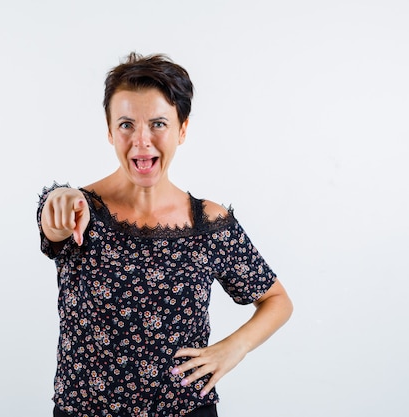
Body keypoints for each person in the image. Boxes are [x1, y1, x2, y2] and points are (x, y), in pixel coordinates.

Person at [36, 52, 293, 417]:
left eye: (158, 123)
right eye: (126, 124)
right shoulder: (79, 210)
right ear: (109, 131)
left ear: (182, 129)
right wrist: (59, 199)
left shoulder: (208, 223)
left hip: (187, 410)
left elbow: (277, 300)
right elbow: (55, 224)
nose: (142, 141)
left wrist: (234, 348)